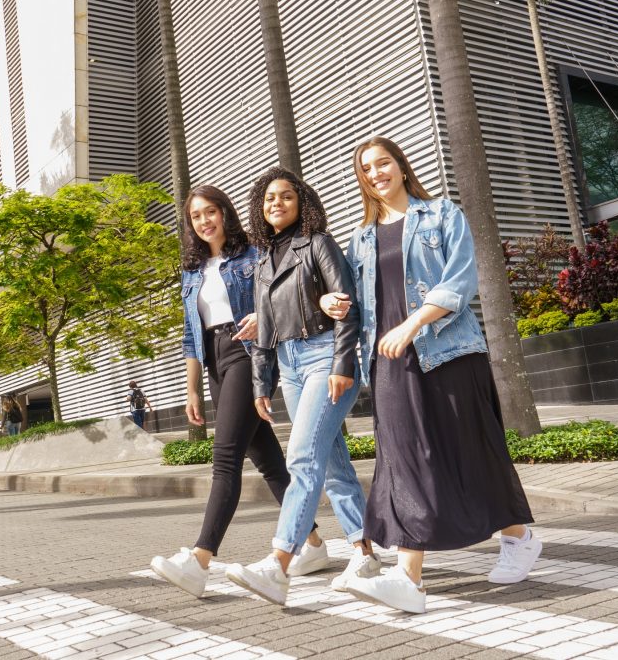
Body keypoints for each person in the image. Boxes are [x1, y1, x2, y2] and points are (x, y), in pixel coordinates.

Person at [322, 136, 539, 614]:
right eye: (366, 168)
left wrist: (413, 322)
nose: (376, 173)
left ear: (401, 166)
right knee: (402, 458)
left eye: (383, 163)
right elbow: (353, 304)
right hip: (389, 362)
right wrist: (330, 303)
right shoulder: (359, 240)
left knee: (467, 454)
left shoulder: (441, 215)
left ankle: (520, 538)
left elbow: (460, 279)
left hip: (450, 354)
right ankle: (408, 579)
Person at [150, 185, 327, 598]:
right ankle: (314, 545)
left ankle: (199, 559)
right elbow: (192, 339)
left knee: (225, 457)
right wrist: (192, 389)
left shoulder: (251, 255)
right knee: (267, 459)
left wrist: (261, 321)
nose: (204, 220)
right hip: (215, 361)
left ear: (225, 213)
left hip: (248, 354)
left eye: (211, 211)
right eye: (196, 216)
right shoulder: (192, 272)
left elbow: (280, 299)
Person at [224, 167, 378, 607]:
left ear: (302, 203)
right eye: (269, 198)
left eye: (287, 197)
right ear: (260, 207)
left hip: (323, 357)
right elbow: (263, 331)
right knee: (332, 465)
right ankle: (364, 553)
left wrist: (343, 363)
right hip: (289, 367)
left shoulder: (319, 244)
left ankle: (279, 563)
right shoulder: (262, 262)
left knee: (302, 457)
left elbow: (346, 305)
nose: (277, 203)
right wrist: (261, 384)